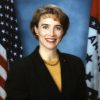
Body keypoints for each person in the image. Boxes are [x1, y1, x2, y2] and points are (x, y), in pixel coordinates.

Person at [5, 4, 88, 100]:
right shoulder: (19, 68)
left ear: (63, 31)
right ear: (36, 29)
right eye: (45, 27)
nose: (51, 33)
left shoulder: (75, 64)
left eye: (57, 27)